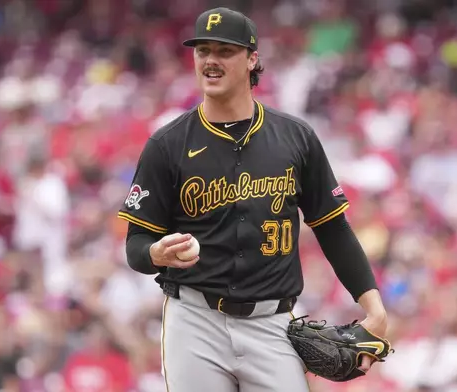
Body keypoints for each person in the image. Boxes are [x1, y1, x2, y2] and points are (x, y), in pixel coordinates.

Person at [118, 7, 390, 391]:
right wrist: (155, 255)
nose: (210, 61)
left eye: (224, 51)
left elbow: (332, 227)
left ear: (251, 59)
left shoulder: (295, 138)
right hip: (195, 321)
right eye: (202, 51)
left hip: (272, 323)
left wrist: (372, 304)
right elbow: (135, 246)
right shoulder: (167, 145)